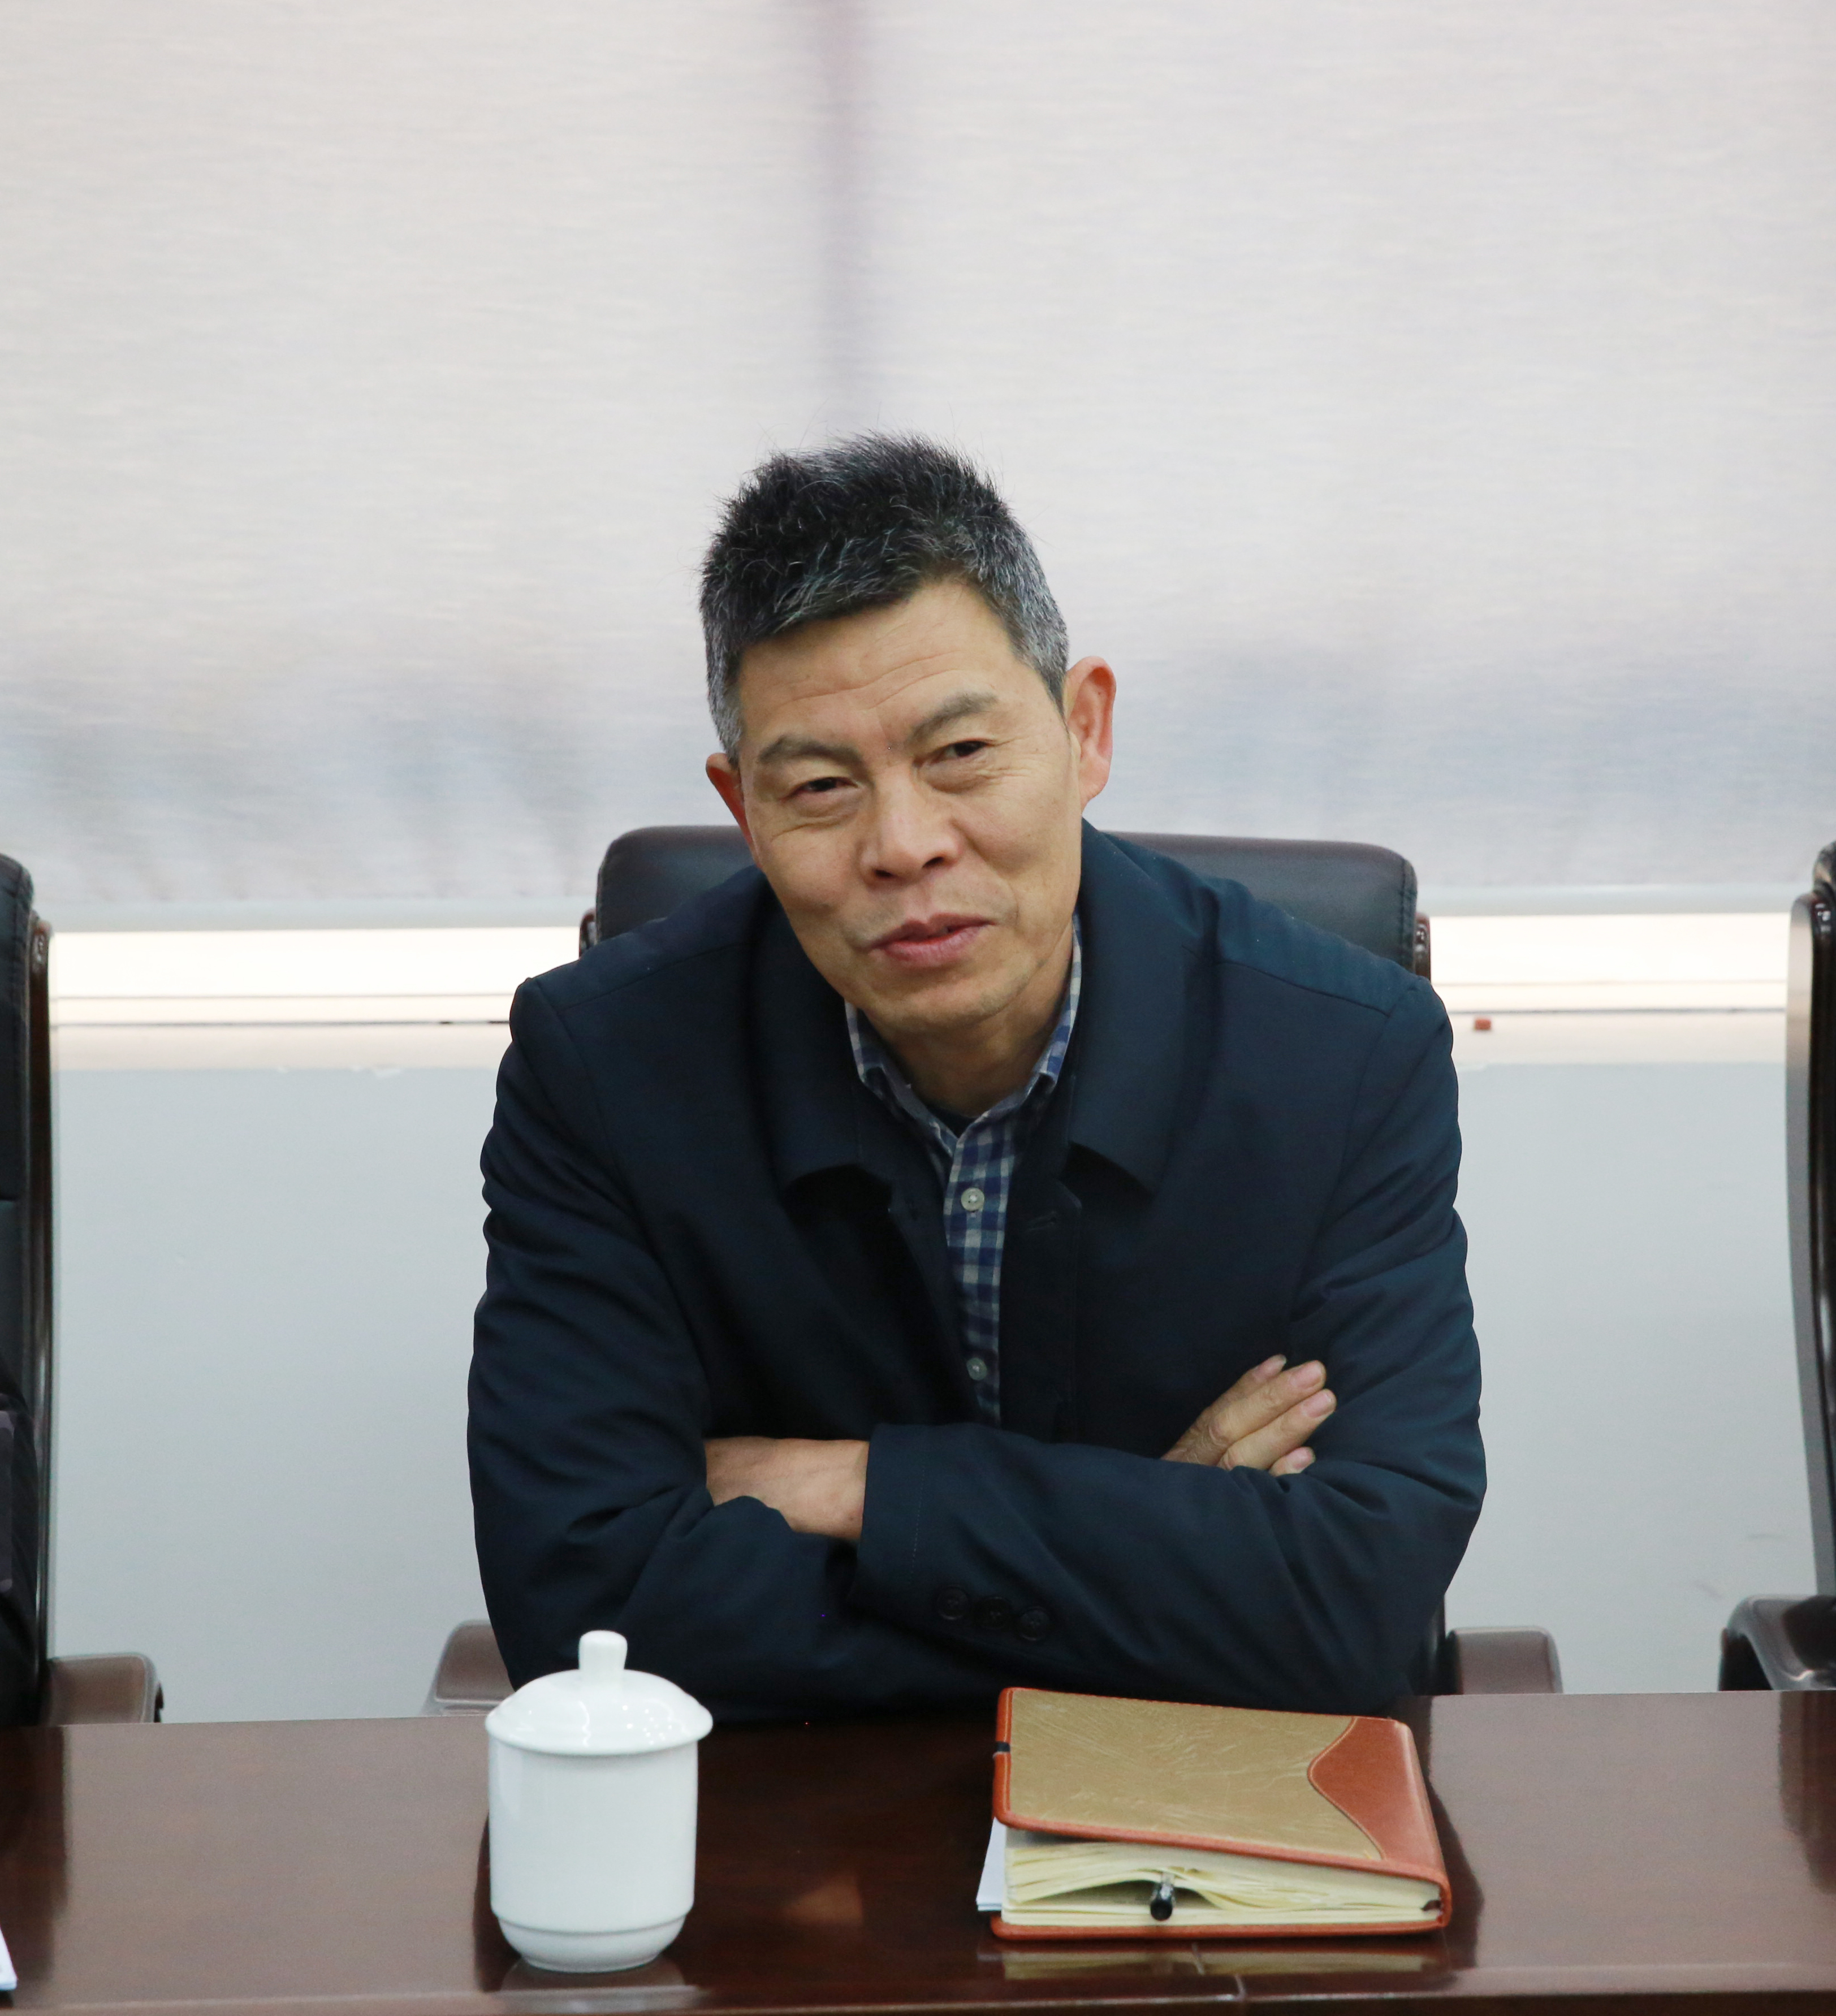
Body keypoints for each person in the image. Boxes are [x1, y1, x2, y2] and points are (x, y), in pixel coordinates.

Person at [469, 435, 1482, 1720]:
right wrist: (1157, 1537)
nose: (903, 846)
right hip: (798, 1826)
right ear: (743, 810)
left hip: (1219, 1818)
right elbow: (587, 1609)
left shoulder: (1345, 1054)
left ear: (1084, 729)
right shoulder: (601, 1065)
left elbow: (1352, 1606)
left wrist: (856, 1490)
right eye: (821, 785)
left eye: (957, 753)